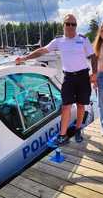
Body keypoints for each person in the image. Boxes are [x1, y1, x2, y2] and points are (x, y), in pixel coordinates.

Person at [15, 14, 97, 145]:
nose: (71, 26)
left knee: (81, 105)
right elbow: (42, 51)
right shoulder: (58, 41)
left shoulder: (83, 39)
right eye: (68, 23)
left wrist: (95, 74)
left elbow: (93, 56)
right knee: (66, 107)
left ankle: (78, 130)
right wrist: (25, 58)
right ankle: (62, 135)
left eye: (73, 24)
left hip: (83, 76)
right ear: (63, 25)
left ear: (76, 26)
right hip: (69, 77)